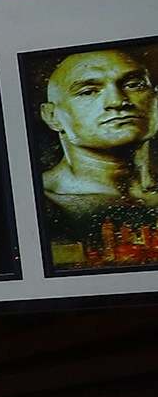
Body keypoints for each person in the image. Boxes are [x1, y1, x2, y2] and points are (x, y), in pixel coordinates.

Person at [35, 47, 158, 267]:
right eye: (88, 91)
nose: (117, 101)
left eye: (133, 85)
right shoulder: (37, 203)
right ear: (52, 116)